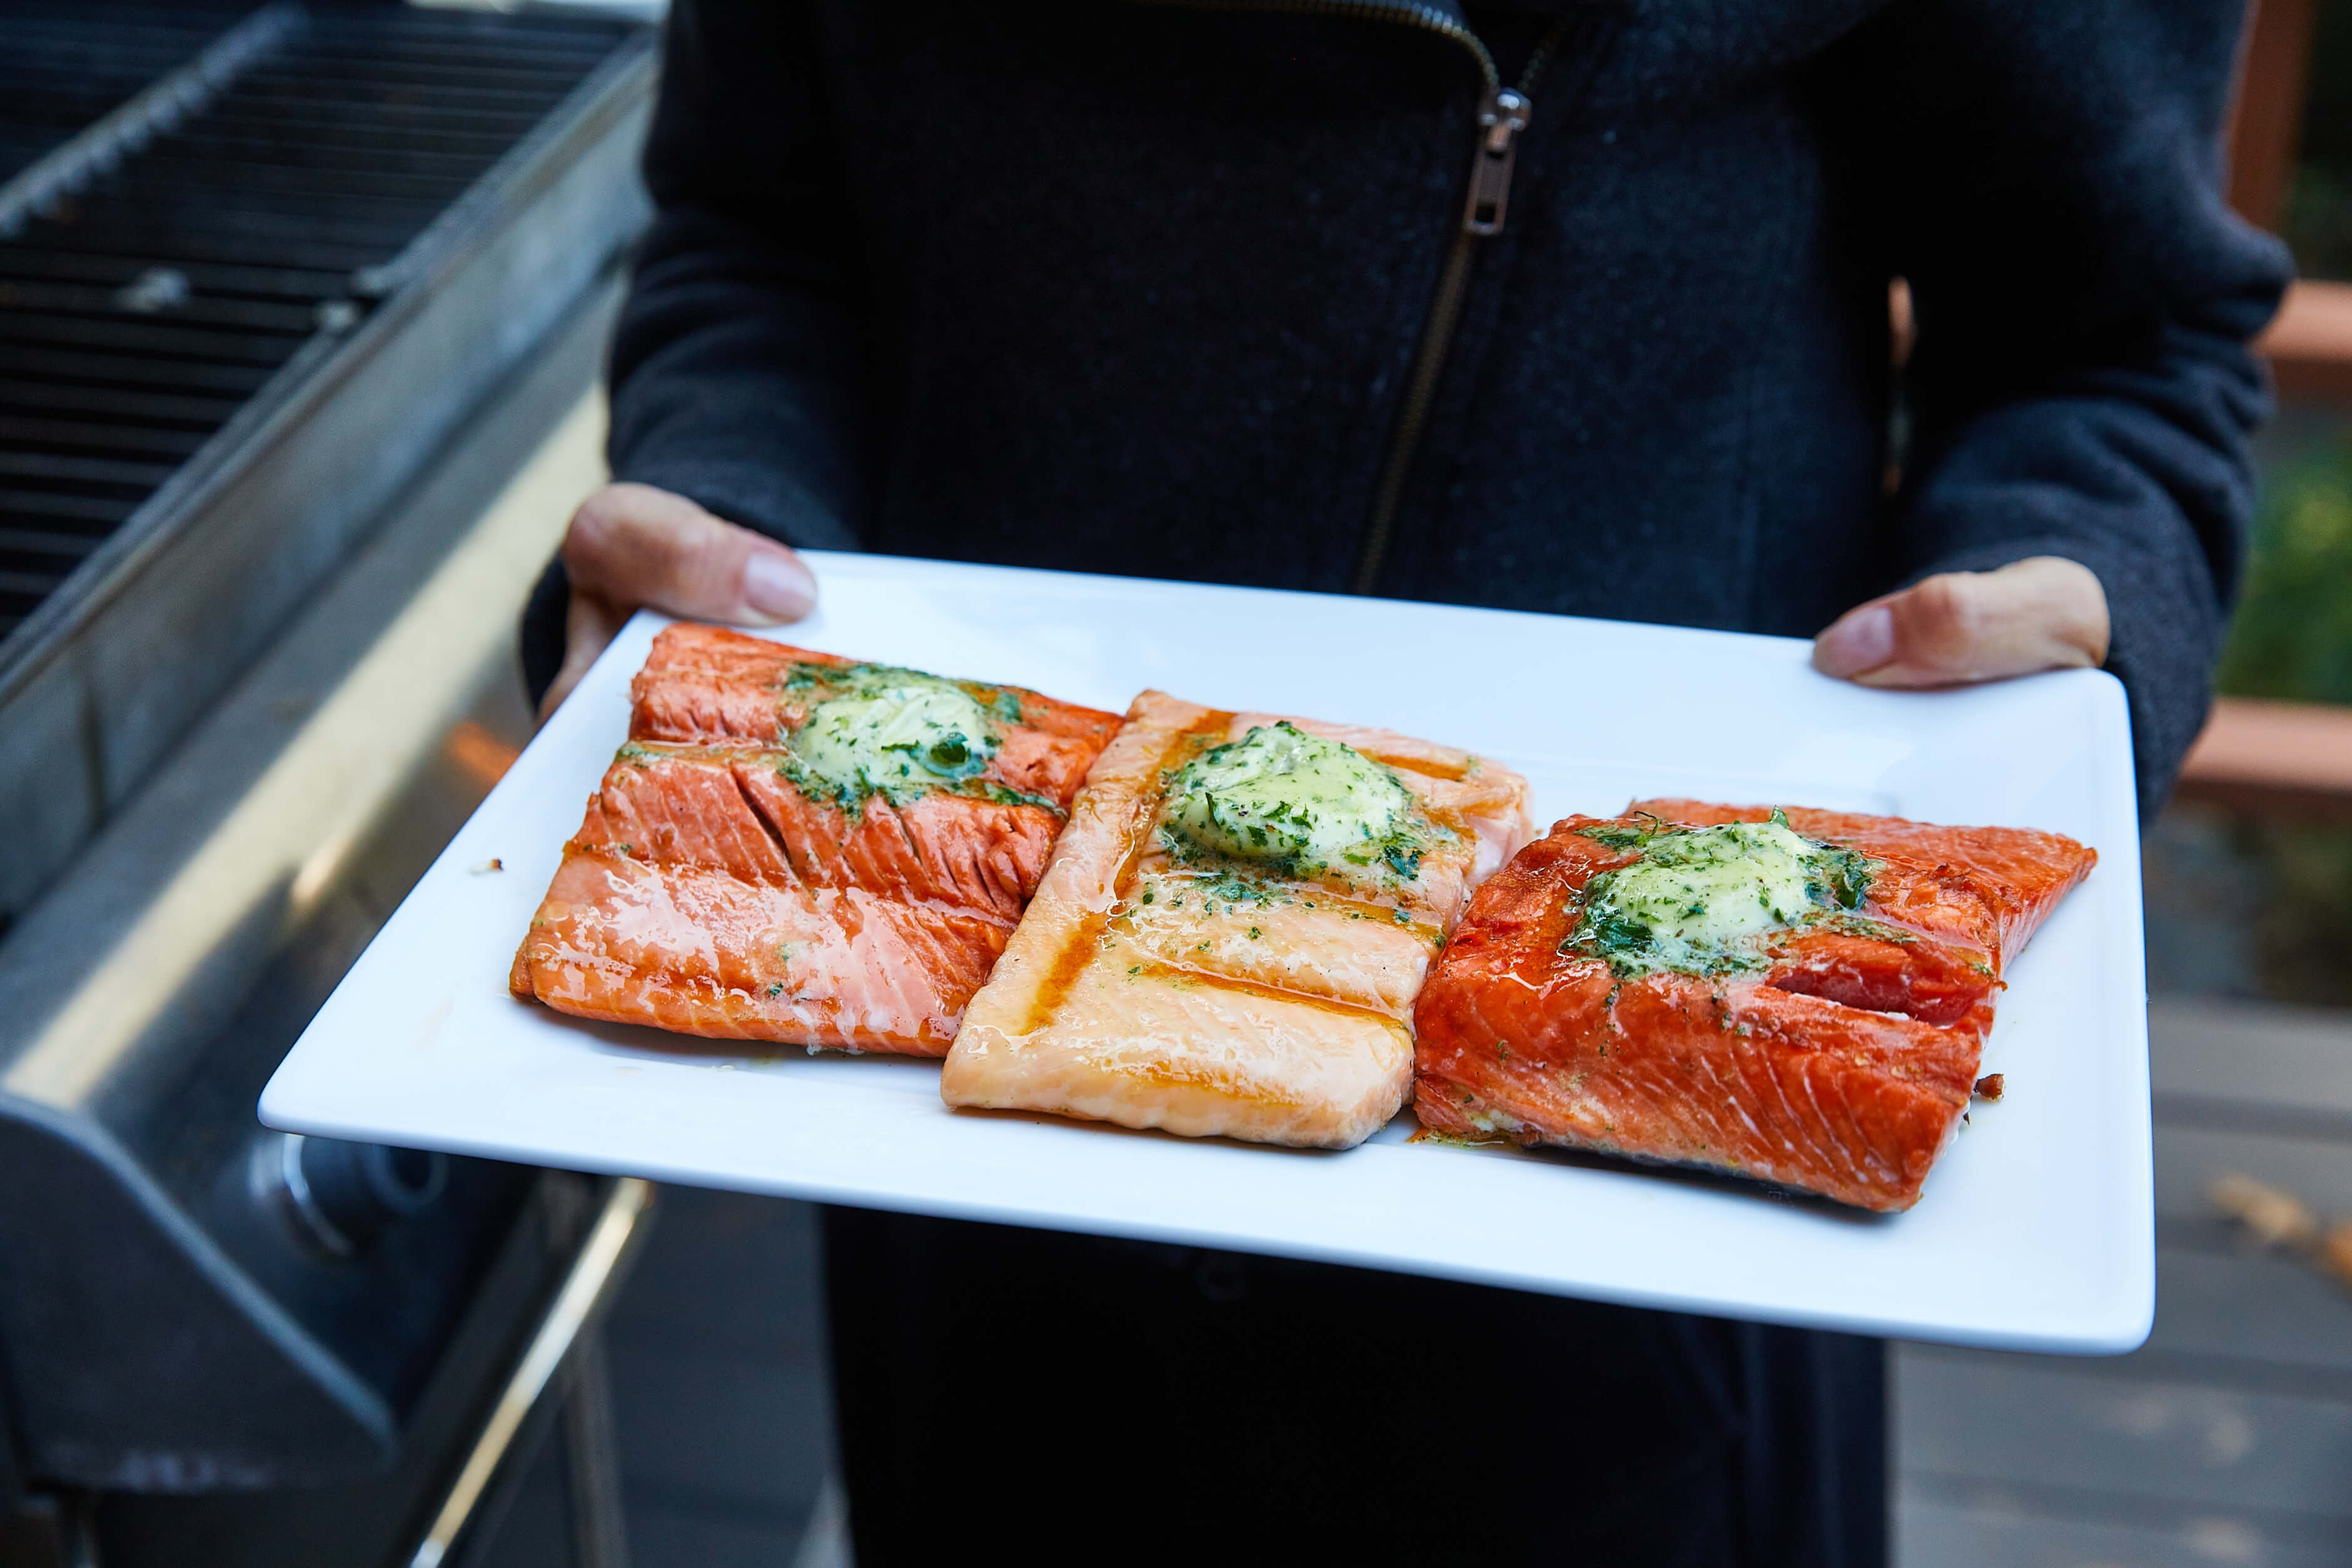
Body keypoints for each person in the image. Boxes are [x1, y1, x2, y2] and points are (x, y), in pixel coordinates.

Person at [523, 2, 2289, 1562]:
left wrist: (2079, 575)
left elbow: (2113, 338)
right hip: (966, 1134)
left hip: (1668, 1203)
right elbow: (758, 235)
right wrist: (726, 534)